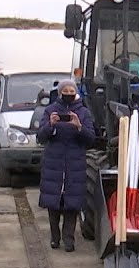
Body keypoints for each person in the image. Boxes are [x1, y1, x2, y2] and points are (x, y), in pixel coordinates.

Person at [37, 79, 95, 251]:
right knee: (53, 204)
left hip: (74, 164)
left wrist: (79, 127)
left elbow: (91, 138)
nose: (69, 93)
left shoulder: (83, 112)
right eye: (66, 90)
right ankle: (55, 238)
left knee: (72, 204)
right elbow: (40, 137)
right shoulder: (50, 110)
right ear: (60, 92)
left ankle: (69, 240)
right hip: (53, 164)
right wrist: (51, 125)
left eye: (72, 91)